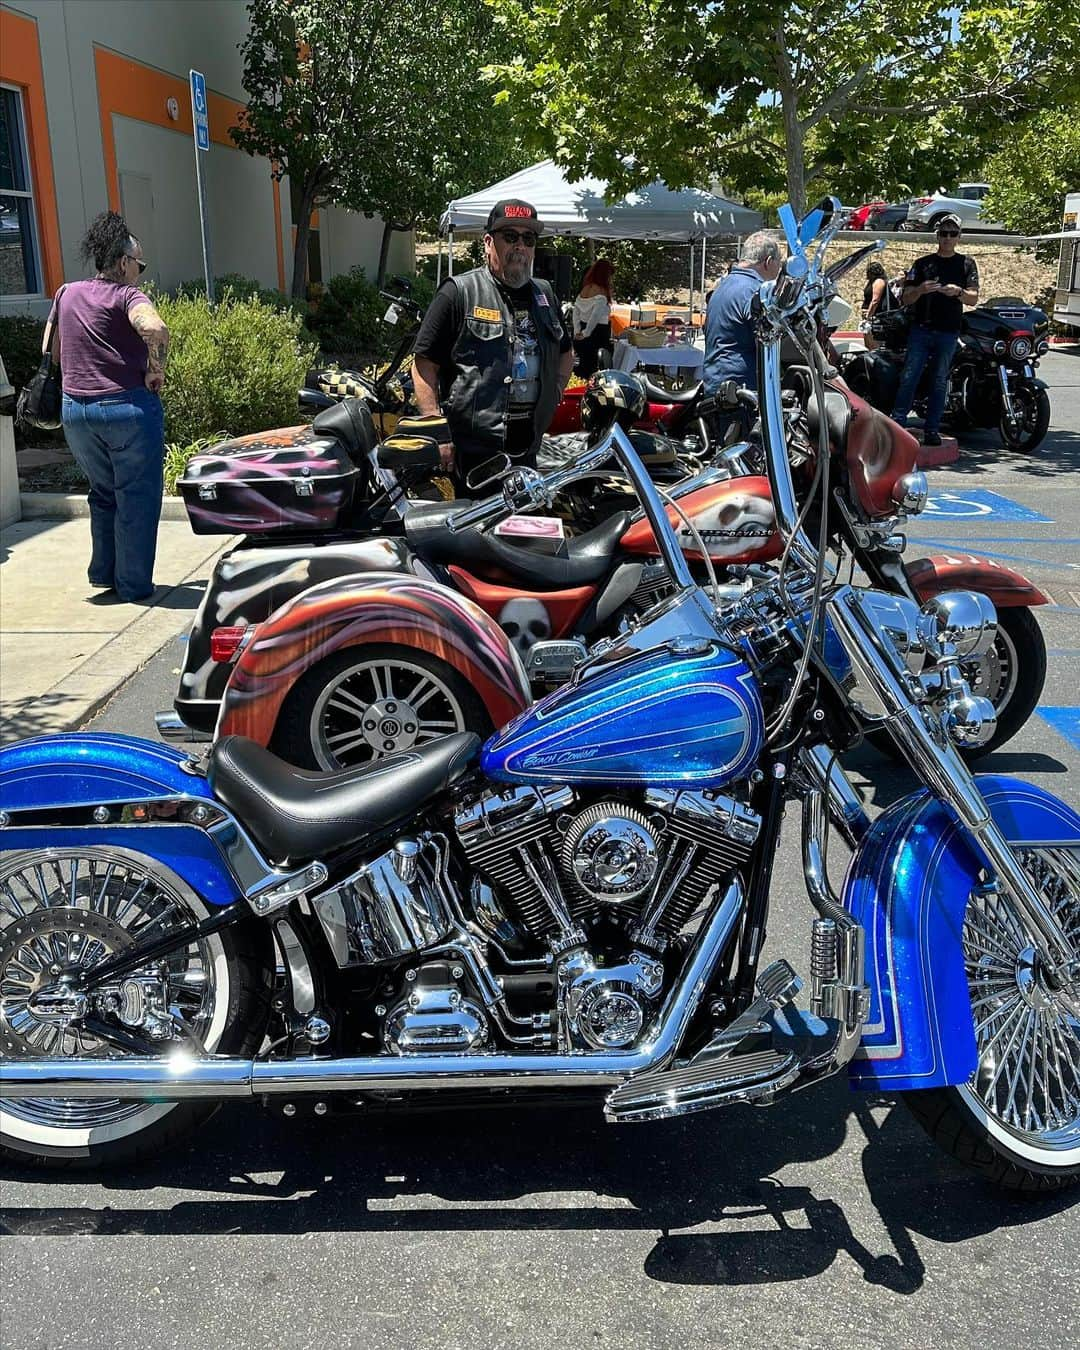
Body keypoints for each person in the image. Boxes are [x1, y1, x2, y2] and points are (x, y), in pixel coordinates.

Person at [49, 210, 169, 602]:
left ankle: (105, 575)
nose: (141, 271)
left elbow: (51, 350)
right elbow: (154, 327)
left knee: (103, 493)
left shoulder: (66, 293)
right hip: (125, 409)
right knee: (136, 495)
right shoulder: (128, 295)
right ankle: (133, 586)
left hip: (76, 412)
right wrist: (156, 369)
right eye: (140, 263)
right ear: (122, 263)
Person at [413, 199, 574, 479]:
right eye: (510, 237)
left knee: (524, 522)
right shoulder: (458, 292)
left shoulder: (545, 295)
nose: (520, 246)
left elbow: (565, 352)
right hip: (473, 454)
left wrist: (556, 391)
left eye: (529, 238)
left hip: (528, 450)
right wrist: (435, 429)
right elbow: (424, 363)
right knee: (475, 523)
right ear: (488, 242)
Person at [890, 214, 979, 446]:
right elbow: (905, 298)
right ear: (937, 235)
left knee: (939, 380)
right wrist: (920, 289)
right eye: (943, 233)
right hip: (921, 328)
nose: (947, 238)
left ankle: (932, 429)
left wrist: (957, 291)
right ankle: (898, 422)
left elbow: (973, 298)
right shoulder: (922, 264)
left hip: (948, 331)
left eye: (952, 234)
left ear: (959, 237)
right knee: (910, 376)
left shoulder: (967, 263)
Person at [703, 230, 784, 396]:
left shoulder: (722, 286)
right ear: (768, 262)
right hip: (741, 391)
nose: (779, 269)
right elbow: (767, 338)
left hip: (717, 382)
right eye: (779, 263)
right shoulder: (754, 291)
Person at [572, 259, 614, 377]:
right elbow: (595, 316)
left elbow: (576, 311)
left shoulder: (585, 288)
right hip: (597, 333)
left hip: (582, 330)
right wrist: (586, 333)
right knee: (596, 368)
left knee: (582, 366)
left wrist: (577, 330)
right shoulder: (601, 292)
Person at [860, 260, 891, 350]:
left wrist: (868, 316)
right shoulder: (872, 282)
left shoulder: (879, 282)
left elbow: (875, 301)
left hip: (876, 318)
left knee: (874, 344)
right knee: (868, 343)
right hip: (870, 317)